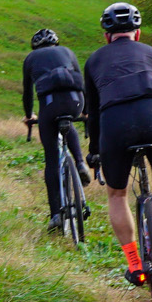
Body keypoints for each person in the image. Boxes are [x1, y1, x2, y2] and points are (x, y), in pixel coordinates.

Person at [83, 1, 152, 285]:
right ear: (138, 33)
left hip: (114, 121)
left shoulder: (94, 60)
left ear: (106, 35)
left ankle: (135, 265)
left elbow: (92, 113)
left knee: (117, 195)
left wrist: (94, 152)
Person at [22, 28, 93, 230]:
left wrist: (29, 116)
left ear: (34, 46)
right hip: (75, 101)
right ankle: (80, 163)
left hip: (50, 104)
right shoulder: (68, 52)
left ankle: (55, 215)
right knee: (68, 122)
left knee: (52, 158)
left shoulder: (30, 58)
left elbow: (27, 93)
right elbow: (84, 84)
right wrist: (86, 111)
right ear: (56, 43)